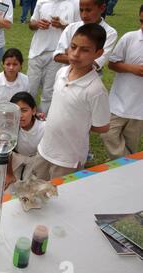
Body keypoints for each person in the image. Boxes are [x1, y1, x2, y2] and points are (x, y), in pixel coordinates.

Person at [31, 23, 110, 180]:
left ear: (98, 53)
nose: (75, 54)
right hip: (45, 149)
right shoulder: (61, 72)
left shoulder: (95, 90)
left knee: (61, 198)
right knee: (34, 187)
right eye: (73, 47)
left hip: (68, 160)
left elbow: (102, 126)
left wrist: (80, 122)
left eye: (85, 50)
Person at [100, 5, 143, 160]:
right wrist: (132, 69)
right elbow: (112, 63)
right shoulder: (130, 38)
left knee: (131, 142)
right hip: (119, 100)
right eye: (142, 21)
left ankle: (121, 169)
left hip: (139, 108)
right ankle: (127, 163)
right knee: (108, 133)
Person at [27, 0, 78, 114]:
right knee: (30, 89)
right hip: (37, 51)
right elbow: (31, 24)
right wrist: (38, 24)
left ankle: (43, 120)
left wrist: (62, 25)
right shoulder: (42, 1)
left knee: (49, 92)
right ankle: (27, 118)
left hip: (58, 54)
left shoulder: (75, 3)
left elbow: (79, 29)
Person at [53, 0, 117, 74]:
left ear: (102, 8)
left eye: (88, 10)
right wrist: (87, 58)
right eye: (81, 10)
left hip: (88, 79)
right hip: (65, 75)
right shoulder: (71, 27)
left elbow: (96, 63)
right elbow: (57, 56)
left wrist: (68, 52)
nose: (84, 15)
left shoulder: (110, 33)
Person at [6, 92, 45, 183]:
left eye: (24, 110)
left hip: (36, 160)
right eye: (16, 111)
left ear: (34, 111)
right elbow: (7, 152)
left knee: (30, 188)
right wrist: (9, 174)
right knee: (9, 189)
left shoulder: (44, 128)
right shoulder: (10, 127)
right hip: (16, 158)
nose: (20, 115)